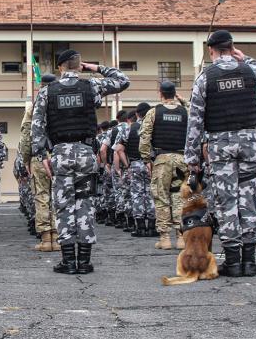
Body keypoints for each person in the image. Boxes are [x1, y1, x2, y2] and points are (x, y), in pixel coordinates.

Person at [184, 30, 256, 277]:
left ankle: (233, 262)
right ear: (232, 47)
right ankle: (250, 261)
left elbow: (195, 121)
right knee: (249, 199)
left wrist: (192, 160)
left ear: (211, 50)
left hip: (220, 145)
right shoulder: (249, 71)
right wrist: (245, 59)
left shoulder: (205, 77)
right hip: (248, 143)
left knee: (227, 202)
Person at [31, 49, 129, 275]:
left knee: (64, 206)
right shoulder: (91, 86)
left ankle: (68, 261)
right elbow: (123, 80)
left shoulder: (47, 92)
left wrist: (41, 156)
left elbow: (37, 127)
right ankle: (84, 261)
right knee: (85, 205)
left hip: (60, 153)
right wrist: (95, 67)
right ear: (79, 65)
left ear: (60, 67)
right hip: (85, 152)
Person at [140, 82, 190, 250]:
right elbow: (198, 118)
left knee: (161, 197)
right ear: (175, 94)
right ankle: (181, 237)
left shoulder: (154, 112)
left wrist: (147, 159)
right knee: (179, 198)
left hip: (161, 159)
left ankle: (165, 238)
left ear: (160, 93)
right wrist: (183, 101)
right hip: (182, 159)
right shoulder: (185, 111)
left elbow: (145, 137)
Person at [20, 74, 59, 251]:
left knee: (42, 197)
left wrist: (26, 159)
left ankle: (46, 240)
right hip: (60, 155)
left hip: (39, 157)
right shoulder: (62, 101)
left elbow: (26, 134)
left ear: (40, 87)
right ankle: (58, 239)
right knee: (59, 197)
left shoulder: (34, 106)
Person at [115, 103, 156, 237]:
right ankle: (151, 226)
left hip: (135, 164)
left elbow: (119, 150)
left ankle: (140, 227)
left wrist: (127, 165)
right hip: (151, 164)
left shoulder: (129, 129)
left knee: (137, 195)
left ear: (137, 114)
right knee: (150, 194)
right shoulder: (153, 127)